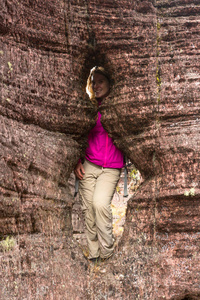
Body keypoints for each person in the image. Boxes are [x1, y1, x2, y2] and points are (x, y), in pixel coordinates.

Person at [74, 66, 124, 262]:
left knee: (100, 204)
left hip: (111, 167)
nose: (96, 85)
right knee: (88, 210)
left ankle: (107, 253)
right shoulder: (89, 108)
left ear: (110, 83)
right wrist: (77, 161)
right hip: (89, 165)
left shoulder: (119, 107)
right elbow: (78, 135)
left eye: (101, 81)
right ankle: (94, 255)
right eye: (93, 81)